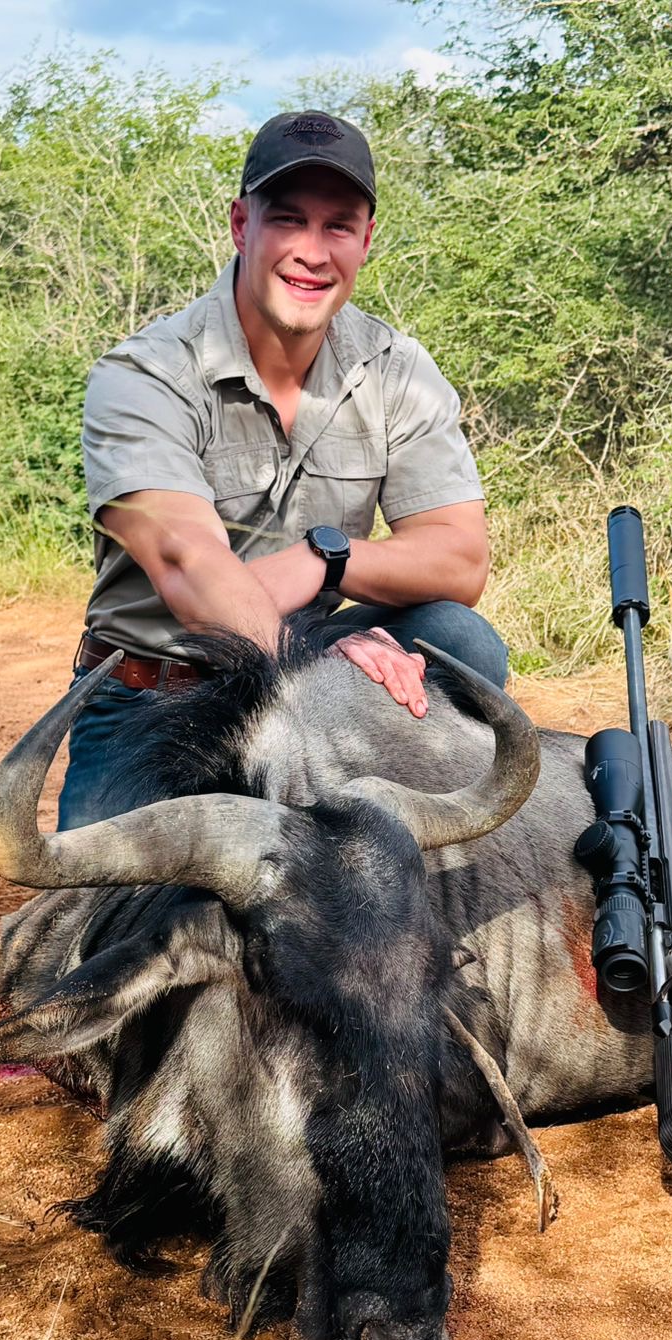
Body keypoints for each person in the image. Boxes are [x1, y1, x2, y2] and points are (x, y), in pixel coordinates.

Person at [59, 108, 508, 829]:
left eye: (338, 225)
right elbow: (185, 564)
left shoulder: (399, 369)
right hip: (161, 695)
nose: (312, 251)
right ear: (242, 226)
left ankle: (397, 853)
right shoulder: (143, 373)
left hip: (312, 668)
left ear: (366, 239)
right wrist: (310, 667)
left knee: (460, 641)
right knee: (112, 933)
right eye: (288, 220)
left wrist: (323, 563)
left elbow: (460, 559)